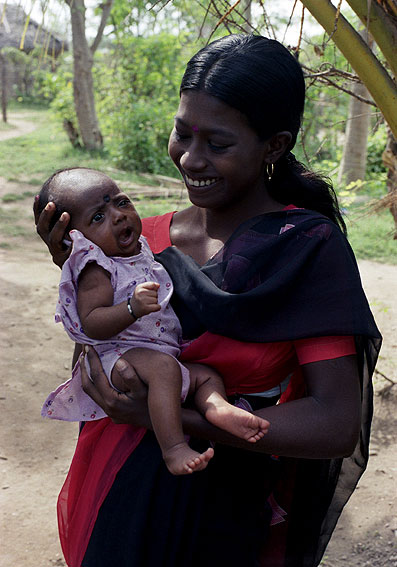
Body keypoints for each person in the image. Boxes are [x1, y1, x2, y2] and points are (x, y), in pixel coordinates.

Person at [35, 34, 381, 567]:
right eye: (182, 133)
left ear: (274, 145)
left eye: (217, 144)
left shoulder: (306, 250)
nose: (190, 157)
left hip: (223, 511)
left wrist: (172, 423)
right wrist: (79, 273)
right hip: (114, 491)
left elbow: (335, 423)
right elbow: (100, 368)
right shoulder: (135, 240)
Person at [38, 167, 269, 475]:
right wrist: (131, 308)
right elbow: (91, 322)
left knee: (204, 375)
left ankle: (219, 408)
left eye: (120, 202)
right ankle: (173, 448)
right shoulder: (97, 268)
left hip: (153, 352)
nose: (118, 216)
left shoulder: (139, 249)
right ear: (75, 239)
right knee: (165, 370)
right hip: (119, 355)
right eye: (98, 217)